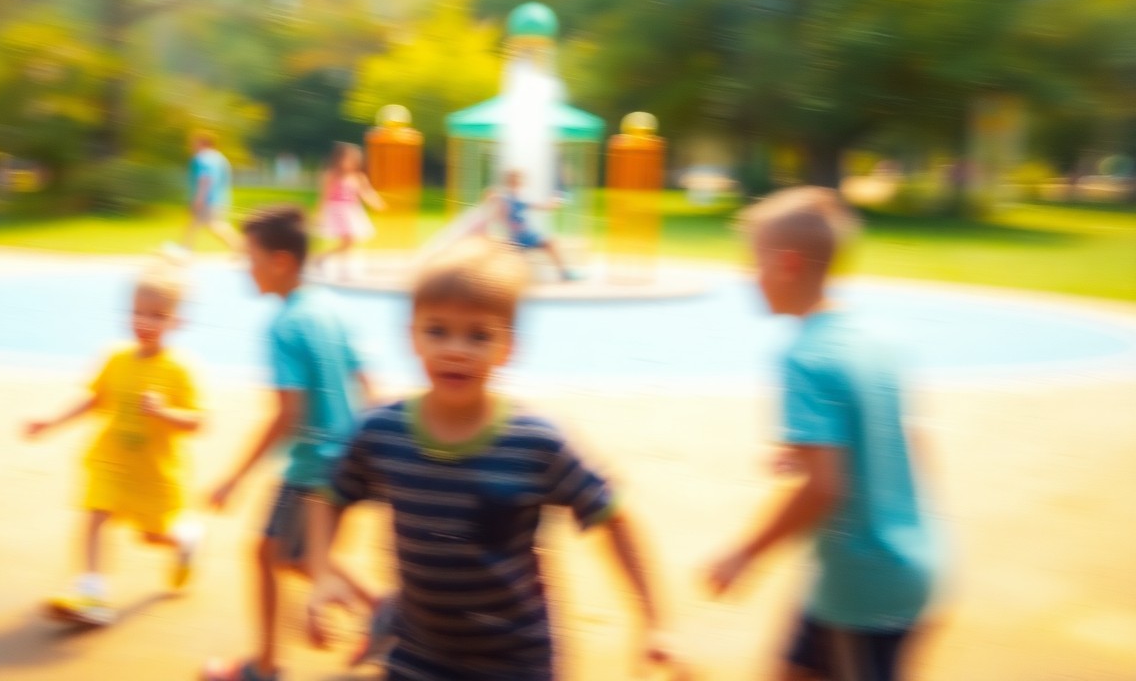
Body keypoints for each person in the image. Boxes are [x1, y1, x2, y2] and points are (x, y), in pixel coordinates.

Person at [304, 239, 682, 680]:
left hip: (514, 662)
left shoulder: (536, 443)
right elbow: (330, 495)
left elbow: (614, 518)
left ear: (508, 347)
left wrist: (657, 622)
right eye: (437, 330)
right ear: (412, 337)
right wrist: (321, 570)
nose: (456, 349)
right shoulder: (382, 432)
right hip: (418, 654)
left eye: (479, 335)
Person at [705, 186, 941, 681]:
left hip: (863, 586)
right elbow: (910, 443)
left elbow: (823, 488)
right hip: (904, 562)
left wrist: (743, 555)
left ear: (787, 264)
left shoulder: (804, 356)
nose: (748, 276)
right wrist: (811, 456)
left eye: (754, 263)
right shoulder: (876, 337)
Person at [203, 204, 385, 681]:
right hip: (346, 461)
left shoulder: (283, 325)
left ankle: (264, 666)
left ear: (281, 261)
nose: (246, 267)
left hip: (312, 467)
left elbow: (287, 414)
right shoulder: (331, 308)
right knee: (298, 556)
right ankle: (381, 613)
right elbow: (369, 384)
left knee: (265, 555)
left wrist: (234, 478)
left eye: (252, 257)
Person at [24, 260, 205, 626]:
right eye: (138, 312)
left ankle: (185, 541)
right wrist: (52, 421)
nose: (145, 322)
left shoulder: (179, 369)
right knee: (95, 515)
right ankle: (92, 594)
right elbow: (94, 399)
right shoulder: (115, 359)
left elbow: (198, 421)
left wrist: (166, 413)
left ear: (177, 322)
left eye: (157, 315)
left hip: (153, 473)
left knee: (154, 536)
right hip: (110, 461)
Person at [311, 142, 385, 281]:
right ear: (339, 159)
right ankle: (327, 261)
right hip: (338, 212)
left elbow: (366, 193)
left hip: (351, 212)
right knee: (348, 241)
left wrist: (376, 203)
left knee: (349, 242)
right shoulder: (332, 176)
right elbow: (324, 196)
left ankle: (325, 259)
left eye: (354, 159)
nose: (351, 162)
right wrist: (319, 214)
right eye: (348, 158)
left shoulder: (358, 177)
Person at [490, 169, 577, 281]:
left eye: (520, 180)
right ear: (510, 181)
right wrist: (511, 227)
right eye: (517, 180)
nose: (520, 183)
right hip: (516, 237)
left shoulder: (519, 197)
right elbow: (500, 216)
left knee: (550, 243)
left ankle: (565, 273)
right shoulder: (505, 198)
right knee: (518, 258)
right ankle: (564, 273)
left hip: (527, 235)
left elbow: (542, 207)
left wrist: (554, 203)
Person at [184, 131, 241, 254]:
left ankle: (240, 246)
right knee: (196, 224)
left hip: (207, 199)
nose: (192, 146)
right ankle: (186, 249)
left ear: (202, 143)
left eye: (194, 143)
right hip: (220, 198)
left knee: (214, 225)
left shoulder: (202, 158)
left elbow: (205, 179)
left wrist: (199, 199)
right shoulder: (220, 158)